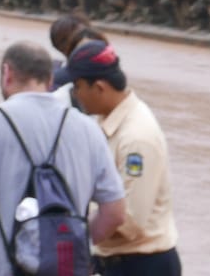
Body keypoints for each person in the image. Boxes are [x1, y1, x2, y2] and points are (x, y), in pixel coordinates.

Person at [0, 41, 127, 276]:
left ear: (7, 73)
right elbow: (115, 212)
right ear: (50, 80)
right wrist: (70, 244)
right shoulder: (87, 127)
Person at [66, 40, 181, 275]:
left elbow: (129, 220)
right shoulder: (106, 122)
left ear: (98, 87)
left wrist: (74, 233)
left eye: (77, 87)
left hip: (143, 264)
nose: (75, 95)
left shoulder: (136, 138)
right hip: (114, 260)